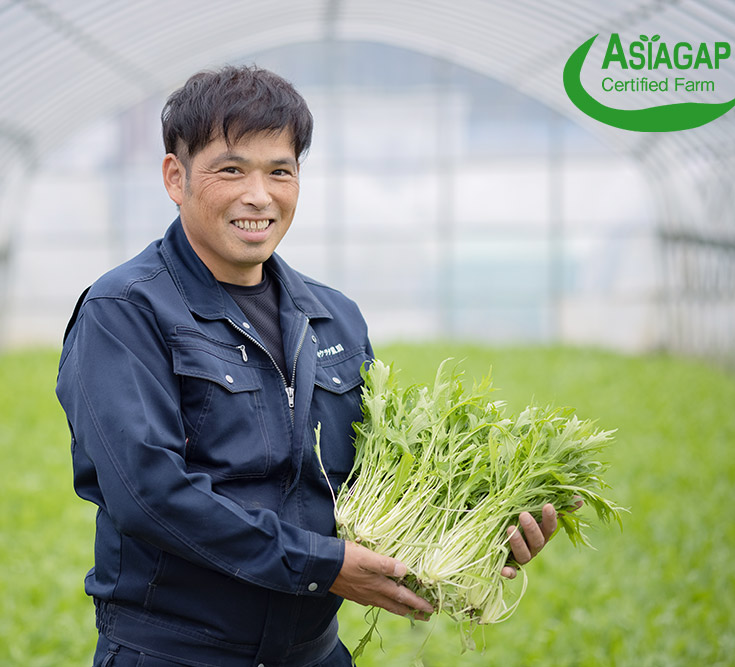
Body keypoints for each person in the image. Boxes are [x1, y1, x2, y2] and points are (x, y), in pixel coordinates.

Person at [55, 65, 560, 667]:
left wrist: (478, 529)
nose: (259, 195)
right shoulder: (126, 311)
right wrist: (324, 566)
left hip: (312, 654)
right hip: (177, 654)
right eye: (231, 169)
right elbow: (148, 494)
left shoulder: (333, 318)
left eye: (280, 171)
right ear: (175, 176)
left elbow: (380, 476)